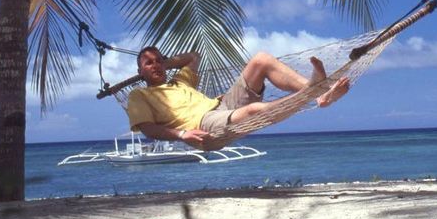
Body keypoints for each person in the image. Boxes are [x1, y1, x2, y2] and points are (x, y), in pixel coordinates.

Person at [126, 47, 349, 150]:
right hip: (203, 127)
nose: (155, 65)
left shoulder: (180, 81)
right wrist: (182, 134)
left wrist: (165, 62)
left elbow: (194, 56)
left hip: (222, 106)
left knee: (261, 59)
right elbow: (147, 129)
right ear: (140, 72)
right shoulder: (139, 95)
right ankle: (311, 92)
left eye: (158, 60)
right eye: (149, 63)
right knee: (254, 111)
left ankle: (322, 92)